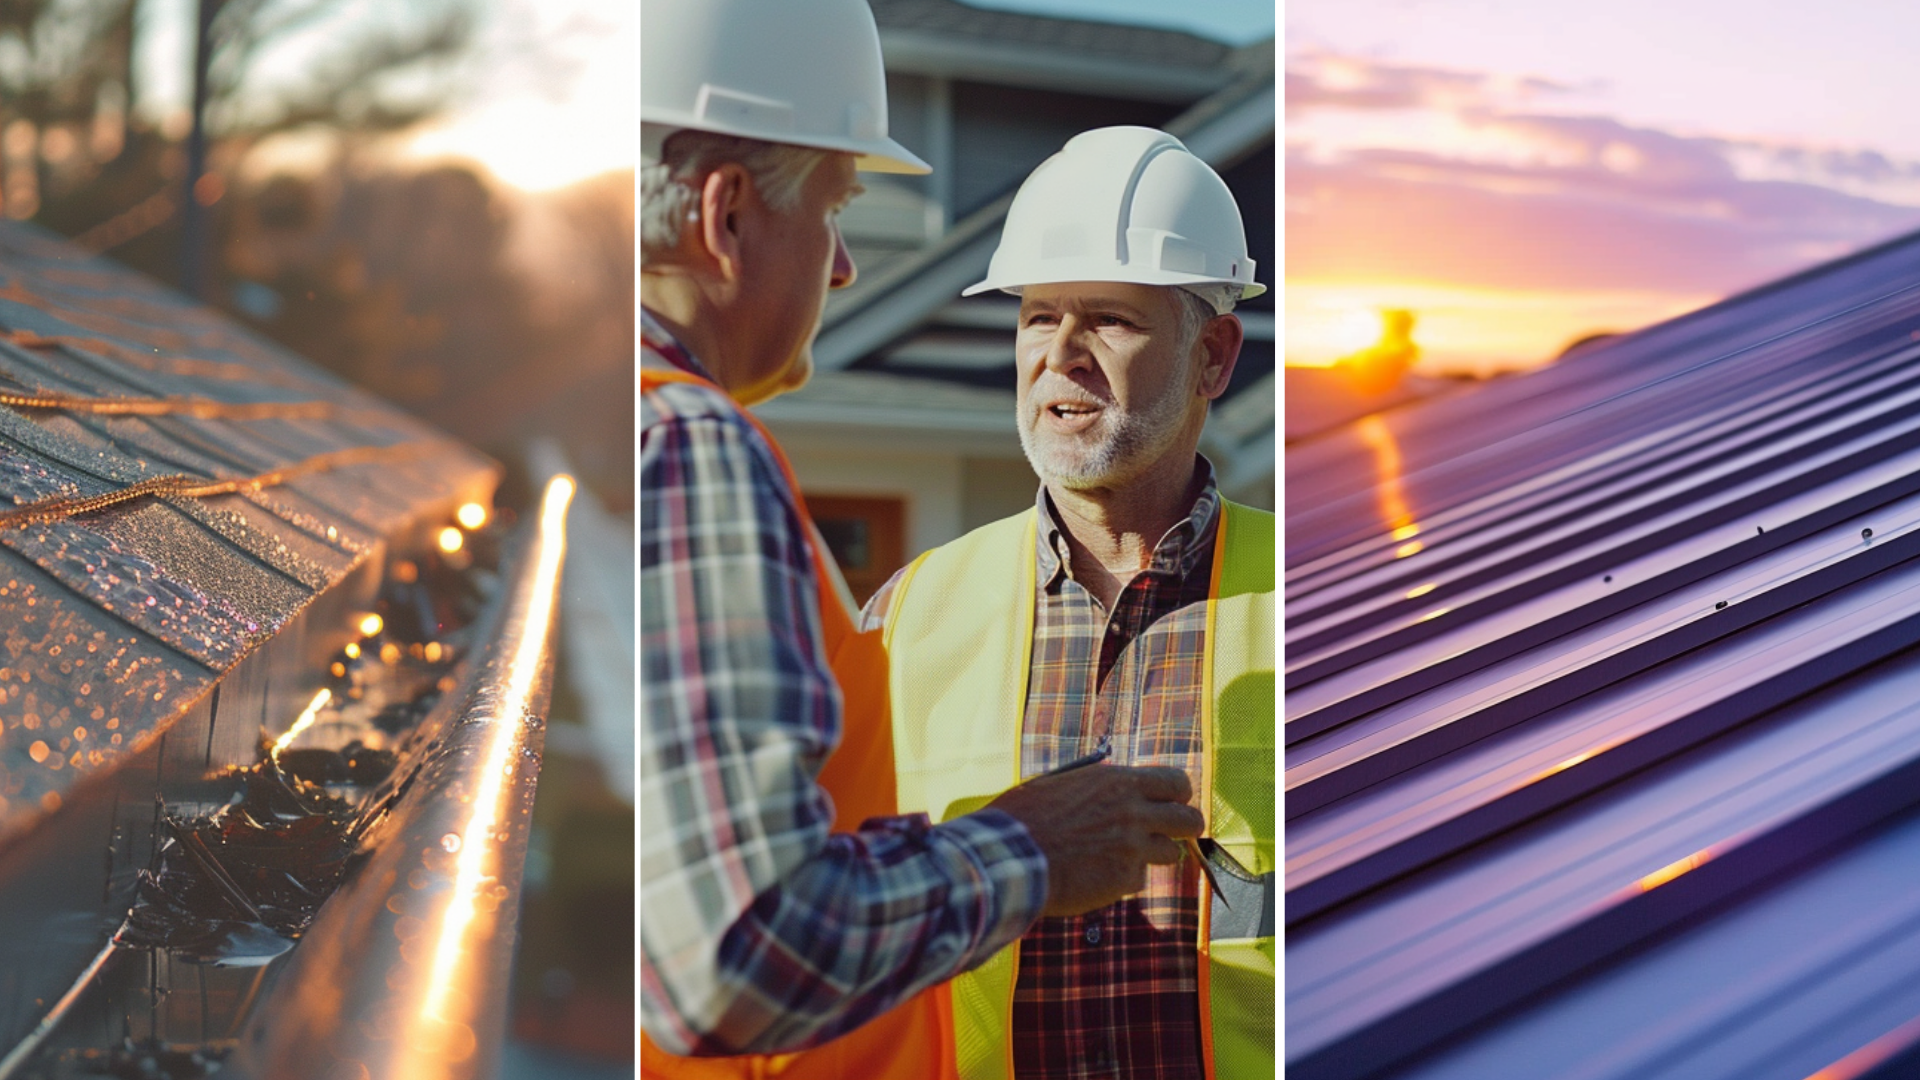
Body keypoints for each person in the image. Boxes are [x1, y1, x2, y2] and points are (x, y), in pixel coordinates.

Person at [639, 4, 1208, 1076]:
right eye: (836, 207)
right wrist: (1033, 847)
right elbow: (735, 957)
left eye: (1117, 319)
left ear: (1217, 357)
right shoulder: (696, 450)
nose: (847, 265)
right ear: (724, 216)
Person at [863, 126, 1276, 1079]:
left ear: (1213, 357)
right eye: (1039, 317)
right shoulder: (908, 614)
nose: (1063, 355)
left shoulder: (1318, 598)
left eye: (1113, 321)